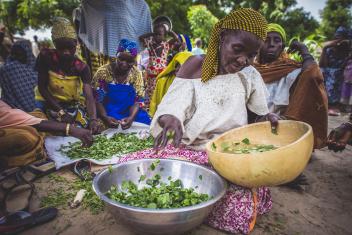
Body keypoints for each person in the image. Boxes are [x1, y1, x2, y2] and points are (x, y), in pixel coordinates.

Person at [120, 8, 278, 234]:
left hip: (230, 158)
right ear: (222, 38)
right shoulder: (195, 65)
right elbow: (171, 106)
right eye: (238, 49)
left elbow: (260, 114)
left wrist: (268, 118)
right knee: (136, 167)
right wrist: (172, 119)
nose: (244, 60)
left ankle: (197, 209)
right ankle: (199, 208)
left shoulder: (250, 75)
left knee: (239, 199)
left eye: (252, 55)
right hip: (191, 151)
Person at [254, 23, 328, 149]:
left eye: (277, 40)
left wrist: (304, 50)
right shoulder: (250, 70)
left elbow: (312, 76)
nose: (271, 44)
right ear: (259, 45)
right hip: (254, 126)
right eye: (266, 40)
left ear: (282, 46)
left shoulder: (292, 70)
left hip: (282, 128)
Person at [34, 17, 101, 134]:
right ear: (55, 45)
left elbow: (89, 96)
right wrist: (61, 112)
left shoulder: (81, 67)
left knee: (85, 130)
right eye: (61, 48)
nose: (66, 52)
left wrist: (94, 119)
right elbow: (42, 88)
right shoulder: (46, 57)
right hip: (47, 102)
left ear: (76, 44)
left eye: (70, 48)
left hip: (71, 104)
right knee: (43, 133)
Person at [0, 99, 93, 168]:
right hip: (5, 123)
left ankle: (42, 144)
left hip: (7, 119)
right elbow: (8, 117)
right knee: (26, 137)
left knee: (39, 116)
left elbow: (9, 114)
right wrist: (69, 128)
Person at [93, 39, 150, 129]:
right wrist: (104, 117)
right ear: (116, 56)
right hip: (107, 111)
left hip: (129, 110)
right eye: (121, 59)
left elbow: (138, 100)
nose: (124, 64)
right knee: (100, 128)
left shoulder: (136, 73)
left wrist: (131, 118)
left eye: (129, 61)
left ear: (134, 61)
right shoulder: (103, 72)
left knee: (144, 125)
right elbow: (97, 100)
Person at [75, 0, 152, 57]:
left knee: (126, 70)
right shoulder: (95, 4)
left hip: (127, 43)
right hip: (103, 48)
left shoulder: (139, 5)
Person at [139, 20, 179, 109]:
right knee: (150, 92)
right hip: (151, 74)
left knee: (160, 91)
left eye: (159, 34)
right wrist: (151, 33)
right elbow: (141, 38)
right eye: (155, 34)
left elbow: (176, 38)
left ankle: (158, 108)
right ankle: (149, 109)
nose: (157, 36)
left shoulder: (166, 44)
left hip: (162, 74)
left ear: (164, 35)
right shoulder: (150, 44)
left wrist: (169, 30)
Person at [149, 51, 193, 117]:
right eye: (177, 66)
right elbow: (156, 105)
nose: (178, 69)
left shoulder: (194, 83)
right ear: (174, 67)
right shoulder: (162, 81)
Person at [320, 26, 352, 116]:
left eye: (340, 38)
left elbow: (346, 66)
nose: (338, 40)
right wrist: (325, 49)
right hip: (330, 73)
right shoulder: (330, 49)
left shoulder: (348, 51)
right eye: (336, 37)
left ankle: (339, 104)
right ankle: (329, 104)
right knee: (323, 71)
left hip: (343, 74)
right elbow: (322, 65)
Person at [0, 40, 37, 112]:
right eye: (13, 54)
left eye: (19, 54)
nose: (15, 57)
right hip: (17, 112)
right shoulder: (8, 69)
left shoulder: (35, 68)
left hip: (16, 112)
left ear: (27, 54)